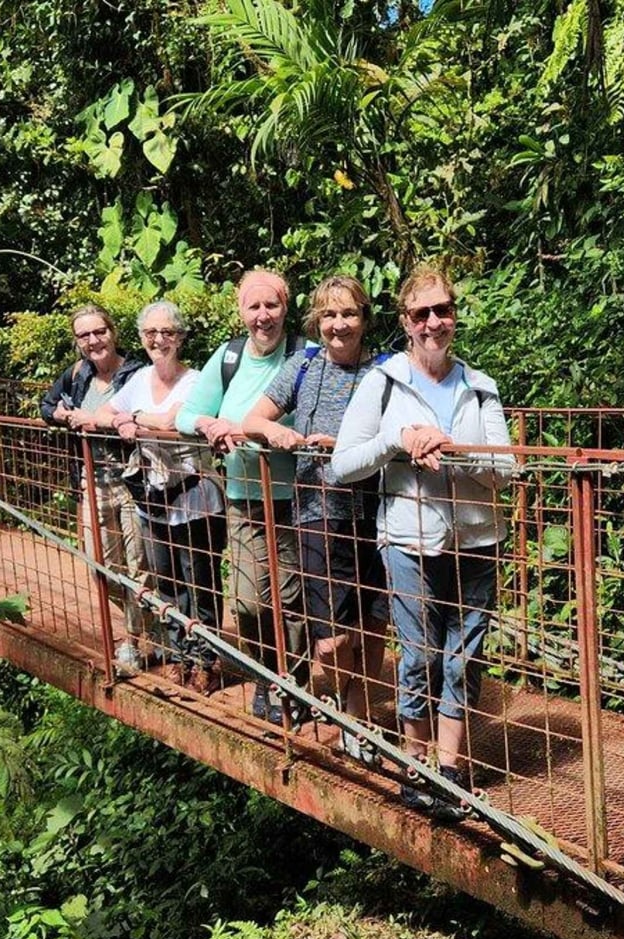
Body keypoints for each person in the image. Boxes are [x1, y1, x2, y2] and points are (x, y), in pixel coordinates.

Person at [331, 265, 515, 820]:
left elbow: (506, 470)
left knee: (463, 657)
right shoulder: (383, 381)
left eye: (442, 310)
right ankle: (415, 763)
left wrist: (453, 449)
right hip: (408, 541)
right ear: (405, 322)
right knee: (419, 654)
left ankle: (451, 768)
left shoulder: (480, 386)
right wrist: (399, 439)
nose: (434, 322)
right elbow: (343, 464)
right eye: (421, 313)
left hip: (478, 540)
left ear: (453, 314)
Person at [242, 275, 388, 764]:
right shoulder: (302, 366)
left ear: (364, 319)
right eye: (328, 315)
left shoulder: (387, 371)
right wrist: (278, 435)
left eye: (348, 314)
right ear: (316, 322)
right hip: (317, 512)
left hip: (377, 513)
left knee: (371, 624)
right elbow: (253, 420)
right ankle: (351, 709)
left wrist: (349, 448)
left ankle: (359, 717)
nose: (338, 325)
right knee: (329, 639)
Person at [176, 269, 311, 723]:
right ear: (241, 311)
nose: (263, 316)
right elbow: (189, 413)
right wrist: (208, 424)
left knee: (290, 599)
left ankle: (291, 686)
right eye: (253, 307)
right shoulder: (229, 356)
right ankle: (264, 673)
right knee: (249, 599)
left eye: (271, 305)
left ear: (285, 308)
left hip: (296, 497)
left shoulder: (304, 355)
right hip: (244, 497)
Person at [92, 301, 226, 693]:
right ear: (141, 338)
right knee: (167, 582)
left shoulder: (198, 380)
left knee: (200, 583)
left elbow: (173, 423)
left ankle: (206, 659)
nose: (158, 339)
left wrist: (132, 420)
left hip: (196, 498)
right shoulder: (138, 379)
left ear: (181, 337)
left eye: (167, 332)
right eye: (151, 333)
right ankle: (177, 654)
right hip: (153, 499)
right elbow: (104, 414)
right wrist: (121, 418)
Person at [39, 304, 152, 676]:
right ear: (77, 342)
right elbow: (47, 405)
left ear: (112, 332)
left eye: (99, 332)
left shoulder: (137, 373)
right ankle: (152, 625)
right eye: (84, 335)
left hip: (133, 483)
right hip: (91, 484)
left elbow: (147, 415)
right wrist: (61, 415)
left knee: (139, 566)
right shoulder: (77, 375)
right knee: (100, 567)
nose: (93, 341)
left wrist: (104, 420)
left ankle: (133, 641)